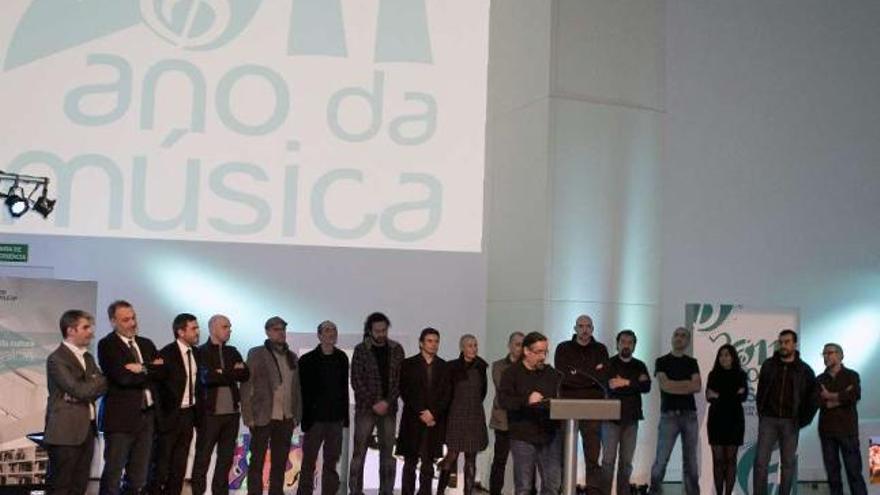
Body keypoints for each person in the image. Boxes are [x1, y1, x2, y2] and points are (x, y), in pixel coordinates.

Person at [97, 300, 166, 495]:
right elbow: (122, 378)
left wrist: (141, 368)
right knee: (113, 473)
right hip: (120, 419)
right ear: (113, 322)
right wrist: (150, 370)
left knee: (139, 475)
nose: (132, 323)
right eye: (126, 319)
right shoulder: (107, 345)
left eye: (133, 317)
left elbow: (163, 372)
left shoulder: (146, 343)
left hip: (147, 417)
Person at [44, 309, 107, 495]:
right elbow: (80, 389)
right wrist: (92, 385)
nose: (91, 332)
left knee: (80, 485)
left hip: (87, 430)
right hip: (65, 432)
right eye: (85, 327)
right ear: (71, 330)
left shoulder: (87, 356)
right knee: (61, 486)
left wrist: (87, 389)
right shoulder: (57, 358)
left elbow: (99, 387)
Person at [241, 316, 303, 495]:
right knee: (257, 461)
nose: (281, 333)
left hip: (286, 417)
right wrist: (248, 415)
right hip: (263, 416)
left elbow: (296, 388)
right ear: (267, 332)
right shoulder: (257, 353)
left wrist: (297, 414)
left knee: (280, 461)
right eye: (276, 330)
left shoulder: (292, 357)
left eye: (283, 329)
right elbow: (246, 385)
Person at [191, 314, 250, 495]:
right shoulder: (200, 352)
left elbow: (245, 374)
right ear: (213, 329)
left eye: (229, 327)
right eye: (225, 327)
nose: (229, 330)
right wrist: (230, 372)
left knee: (225, 460)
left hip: (231, 415)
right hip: (209, 415)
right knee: (202, 459)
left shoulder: (232, 351)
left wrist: (222, 372)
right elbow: (207, 378)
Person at [753, 329, 817, 495]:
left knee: (788, 464)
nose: (783, 345)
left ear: (794, 344)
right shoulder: (769, 365)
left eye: (787, 342)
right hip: (769, 420)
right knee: (760, 462)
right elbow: (761, 392)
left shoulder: (804, 370)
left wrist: (802, 420)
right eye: (781, 342)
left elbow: (814, 398)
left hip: (791, 422)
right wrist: (763, 413)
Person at [497, 331, 562, 495]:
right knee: (524, 486)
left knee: (553, 483)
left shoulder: (552, 374)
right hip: (523, 436)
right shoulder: (511, 373)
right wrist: (527, 400)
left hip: (549, 435)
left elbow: (561, 398)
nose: (542, 357)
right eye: (538, 352)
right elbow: (503, 401)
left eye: (545, 352)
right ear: (526, 351)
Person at [554, 315, 610, 492]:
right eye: (581, 326)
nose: (584, 330)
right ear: (575, 328)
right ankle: (564, 489)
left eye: (588, 326)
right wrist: (590, 376)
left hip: (593, 407)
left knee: (593, 456)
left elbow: (602, 377)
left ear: (592, 329)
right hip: (567, 406)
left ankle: (593, 491)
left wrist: (578, 374)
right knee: (563, 454)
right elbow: (563, 377)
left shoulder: (601, 349)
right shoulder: (563, 348)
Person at [297, 320, 350, 495]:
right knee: (308, 462)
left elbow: (344, 389)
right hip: (314, 420)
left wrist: (345, 418)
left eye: (334, 330)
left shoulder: (341, 357)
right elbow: (302, 392)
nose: (331, 333)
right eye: (327, 330)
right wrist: (304, 419)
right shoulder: (307, 360)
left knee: (331, 462)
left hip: (335, 419)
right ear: (319, 335)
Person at [397, 328, 451, 495]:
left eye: (436, 341)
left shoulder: (444, 366)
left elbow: (447, 394)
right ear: (421, 343)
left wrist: (433, 413)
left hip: (434, 421)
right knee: (410, 462)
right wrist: (423, 412)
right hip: (413, 420)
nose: (433, 344)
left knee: (428, 464)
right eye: (429, 341)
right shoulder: (408, 364)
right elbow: (405, 391)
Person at [152, 313, 202, 494]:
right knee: (161, 463)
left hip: (188, 415)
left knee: (180, 464)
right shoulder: (166, 353)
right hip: (169, 415)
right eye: (194, 328)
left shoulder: (197, 353)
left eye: (197, 327)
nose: (198, 332)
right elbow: (157, 389)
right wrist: (160, 417)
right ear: (181, 332)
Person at [648, 326, 701, 495]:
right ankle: (654, 491)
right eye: (676, 335)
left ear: (687, 341)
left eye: (683, 336)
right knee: (661, 461)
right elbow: (665, 385)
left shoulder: (692, 362)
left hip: (689, 416)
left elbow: (697, 386)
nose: (679, 338)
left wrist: (674, 385)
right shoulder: (661, 361)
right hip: (668, 416)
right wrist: (686, 385)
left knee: (691, 462)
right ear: (672, 338)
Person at [601, 330, 651, 495]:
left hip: (632, 419)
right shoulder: (609, 364)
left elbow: (646, 387)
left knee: (626, 463)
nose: (626, 345)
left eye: (630, 342)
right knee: (608, 462)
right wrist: (633, 384)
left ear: (635, 345)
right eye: (623, 342)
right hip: (610, 419)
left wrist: (625, 382)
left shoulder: (639, 365)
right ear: (617, 344)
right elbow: (610, 386)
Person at [438, 334, 489, 495]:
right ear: (462, 348)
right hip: (456, 415)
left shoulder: (481, 366)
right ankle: (440, 491)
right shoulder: (451, 367)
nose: (473, 348)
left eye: (475, 345)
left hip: (474, 414)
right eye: (469, 345)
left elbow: (483, 392)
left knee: (471, 457)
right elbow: (446, 393)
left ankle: (468, 492)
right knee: (452, 454)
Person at [816, 343, 867, 495]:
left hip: (847, 431)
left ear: (840, 355)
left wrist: (831, 397)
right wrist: (842, 396)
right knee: (833, 476)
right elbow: (819, 401)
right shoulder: (819, 379)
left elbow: (854, 395)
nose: (826, 356)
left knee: (854, 473)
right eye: (824, 354)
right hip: (827, 432)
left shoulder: (852, 375)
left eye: (829, 353)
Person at [705, 344, 748, 495]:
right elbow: (709, 396)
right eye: (721, 355)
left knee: (730, 461)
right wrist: (732, 394)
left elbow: (742, 396)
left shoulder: (741, 375)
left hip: (735, 421)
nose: (724, 358)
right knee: (717, 461)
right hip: (716, 421)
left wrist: (720, 395)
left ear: (733, 357)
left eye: (727, 354)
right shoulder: (713, 374)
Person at [489, 331, 525, 495]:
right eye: (517, 344)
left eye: (522, 345)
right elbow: (505, 388)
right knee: (499, 460)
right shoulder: (498, 366)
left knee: (524, 462)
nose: (520, 348)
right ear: (509, 345)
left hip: (522, 421)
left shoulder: (528, 366)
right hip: (503, 419)